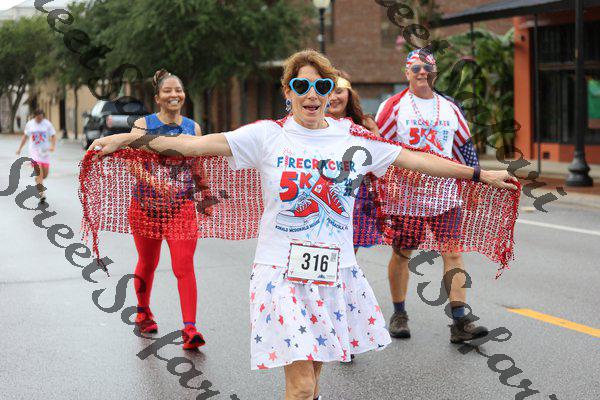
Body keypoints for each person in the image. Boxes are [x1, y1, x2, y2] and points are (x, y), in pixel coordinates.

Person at [89, 49, 517, 400]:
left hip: (334, 274)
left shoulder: (354, 139)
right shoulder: (266, 135)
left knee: (313, 379)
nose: (312, 94)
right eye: (301, 86)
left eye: (321, 86)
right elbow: (189, 145)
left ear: (331, 91)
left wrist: (481, 174)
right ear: (288, 92)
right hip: (280, 273)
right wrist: (126, 138)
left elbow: (417, 160)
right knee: (301, 385)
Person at [375, 48, 487, 343]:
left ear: (434, 72)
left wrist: (474, 183)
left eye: (427, 67)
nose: (422, 72)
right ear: (406, 72)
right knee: (402, 252)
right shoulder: (393, 106)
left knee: (453, 253)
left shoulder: (449, 107)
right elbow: (378, 146)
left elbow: (465, 147)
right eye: (416, 68)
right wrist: (388, 181)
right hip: (406, 198)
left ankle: (460, 321)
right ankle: (399, 313)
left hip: (445, 195)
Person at [129, 69, 205, 350]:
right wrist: (155, 183)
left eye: (178, 90)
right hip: (145, 207)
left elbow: (198, 164)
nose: (174, 95)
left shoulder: (193, 128)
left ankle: (190, 328)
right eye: (168, 91)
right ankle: (143, 312)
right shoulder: (143, 125)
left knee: (183, 266)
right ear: (157, 98)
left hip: (181, 207)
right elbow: (132, 162)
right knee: (148, 263)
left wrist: (205, 195)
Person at [16, 109, 56, 204]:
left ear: (43, 116)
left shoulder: (47, 124)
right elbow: (25, 137)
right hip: (34, 152)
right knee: (39, 173)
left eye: (41, 117)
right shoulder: (30, 124)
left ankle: (38, 180)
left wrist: (53, 146)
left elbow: (53, 135)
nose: (39, 119)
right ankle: (42, 194)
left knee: (44, 175)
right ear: (35, 116)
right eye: (38, 118)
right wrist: (19, 148)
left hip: (45, 152)